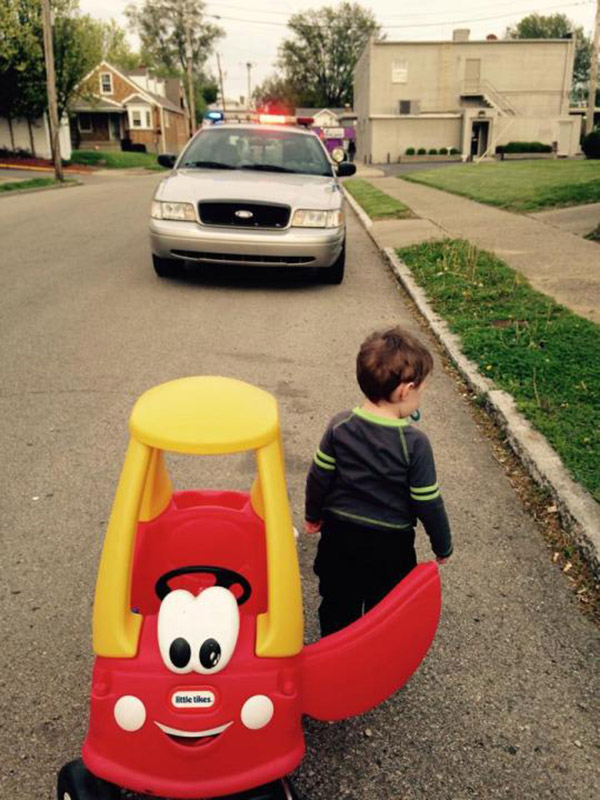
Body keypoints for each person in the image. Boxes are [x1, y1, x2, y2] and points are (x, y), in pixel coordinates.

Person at [304, 326, 453, 637]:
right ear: (404, 390)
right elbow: (427, 501)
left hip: (339, 536)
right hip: (389, 545)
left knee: (336, 601)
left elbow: (319, 476)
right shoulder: (414, 443)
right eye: (421, 390)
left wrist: (313, 515)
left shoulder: (340, 425)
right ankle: (373, 662)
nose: (420, 397)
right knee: (383, 610)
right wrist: (442, 544)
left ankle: (334, 656)